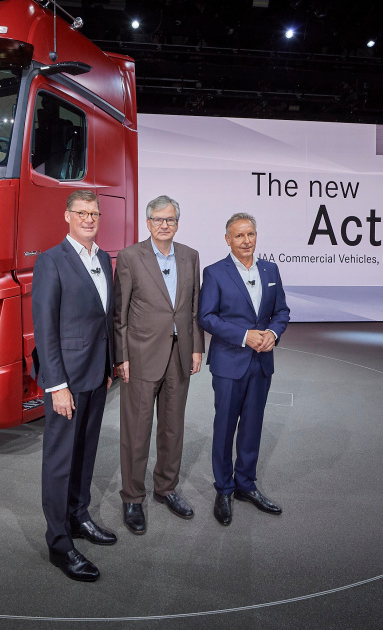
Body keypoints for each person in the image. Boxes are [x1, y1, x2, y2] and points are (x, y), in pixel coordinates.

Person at [31, 189, 117, 582]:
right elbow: (45, 328)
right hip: (66, 380)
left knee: (85, 452)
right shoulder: (51, 260)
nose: (88, 219)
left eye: (94, 213)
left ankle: (79, 516)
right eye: (81, 212)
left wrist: (110, 363)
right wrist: (57, 385)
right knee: (60, 460)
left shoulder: (103, 259)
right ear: (67, 216)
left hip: (97, 375)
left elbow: (104, 318)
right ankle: (59, 541)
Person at [113, 195, 204, 534]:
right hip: (140, 357)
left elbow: (193, 308)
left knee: (173, 428)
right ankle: (132, 497)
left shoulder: (190, 256)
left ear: (177, 223)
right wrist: (121, 356)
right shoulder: (129, 257)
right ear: (148, 223)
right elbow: (120, 313)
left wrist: (196, 348)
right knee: (136, 431)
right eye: (158, 219)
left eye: (170, 220)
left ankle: (166, 488)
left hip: (180, 355)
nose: (165, 225)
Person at [198, 212, 290, 526]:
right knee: (225, 427)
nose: (246, 240)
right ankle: (224, 489)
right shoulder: (214, 272)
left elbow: (281, 311)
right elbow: (207, 317)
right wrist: (244, 335)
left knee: (252, 426)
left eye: (250, 234)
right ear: (228, 240)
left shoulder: (270, 270)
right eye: (239, 235)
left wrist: (273, 333)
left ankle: (246, 485)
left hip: (261, 363)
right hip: (229, 363)